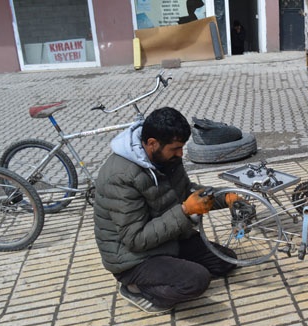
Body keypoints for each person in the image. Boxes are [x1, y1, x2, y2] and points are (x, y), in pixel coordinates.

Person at [93, 106, 240, 314]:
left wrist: (225, 197)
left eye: (182, 147)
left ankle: (173, 266)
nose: (181, 153)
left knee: (226, 260)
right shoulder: (120, 177)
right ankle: (135, 289)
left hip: (167, 239)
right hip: (134, 258)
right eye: (176, 148)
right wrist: (184, 212)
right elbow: (134, 238)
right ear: (152, 143)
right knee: (196, 280)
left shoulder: (166, 157)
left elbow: (186, 192)